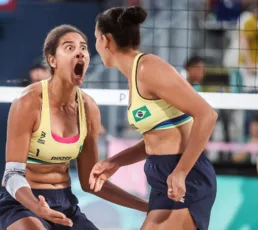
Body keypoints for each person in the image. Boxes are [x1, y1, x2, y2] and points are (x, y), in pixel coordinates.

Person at [0, 24, 148, 230]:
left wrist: (147, 206)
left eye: (83, 48)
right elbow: (11, 175)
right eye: (69, 48)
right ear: (52, 60)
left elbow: (89, 182)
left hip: (65, 203)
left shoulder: (89, 108)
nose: (80, 53)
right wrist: (37, 208)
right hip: (22, 202)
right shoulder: (29, 102)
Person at [89, 6, 218, 230]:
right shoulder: (134, 76)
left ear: (106, 40)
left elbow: (207, 115)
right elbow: (155, 139)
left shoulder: (148, 68)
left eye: (95, 39)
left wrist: (181, 172)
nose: (96, 46)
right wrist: (115, 162)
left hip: (186, 176)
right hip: (162, 177)